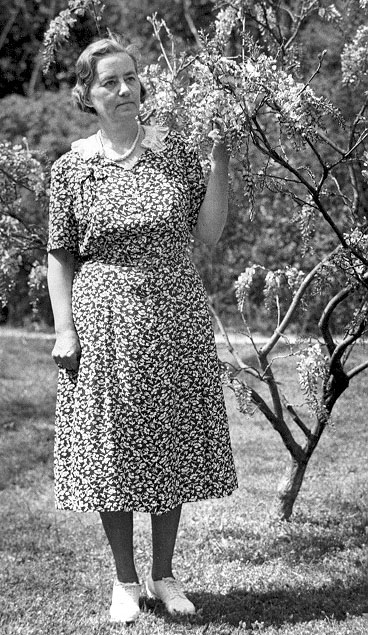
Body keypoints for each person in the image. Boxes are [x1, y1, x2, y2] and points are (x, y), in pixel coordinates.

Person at [47, 35, 238, 624]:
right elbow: (60, 255)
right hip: (103, 321)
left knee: (169, 449)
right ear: (87, 94)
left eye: (131, 77)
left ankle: (165, 575)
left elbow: (207, 236)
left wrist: (219, 163)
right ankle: (125, 582)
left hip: (174, 316)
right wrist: (64, 330)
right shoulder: (72, 168)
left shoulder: (176, 154)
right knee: (114, 454)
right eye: (110, 81)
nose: (125, 89)